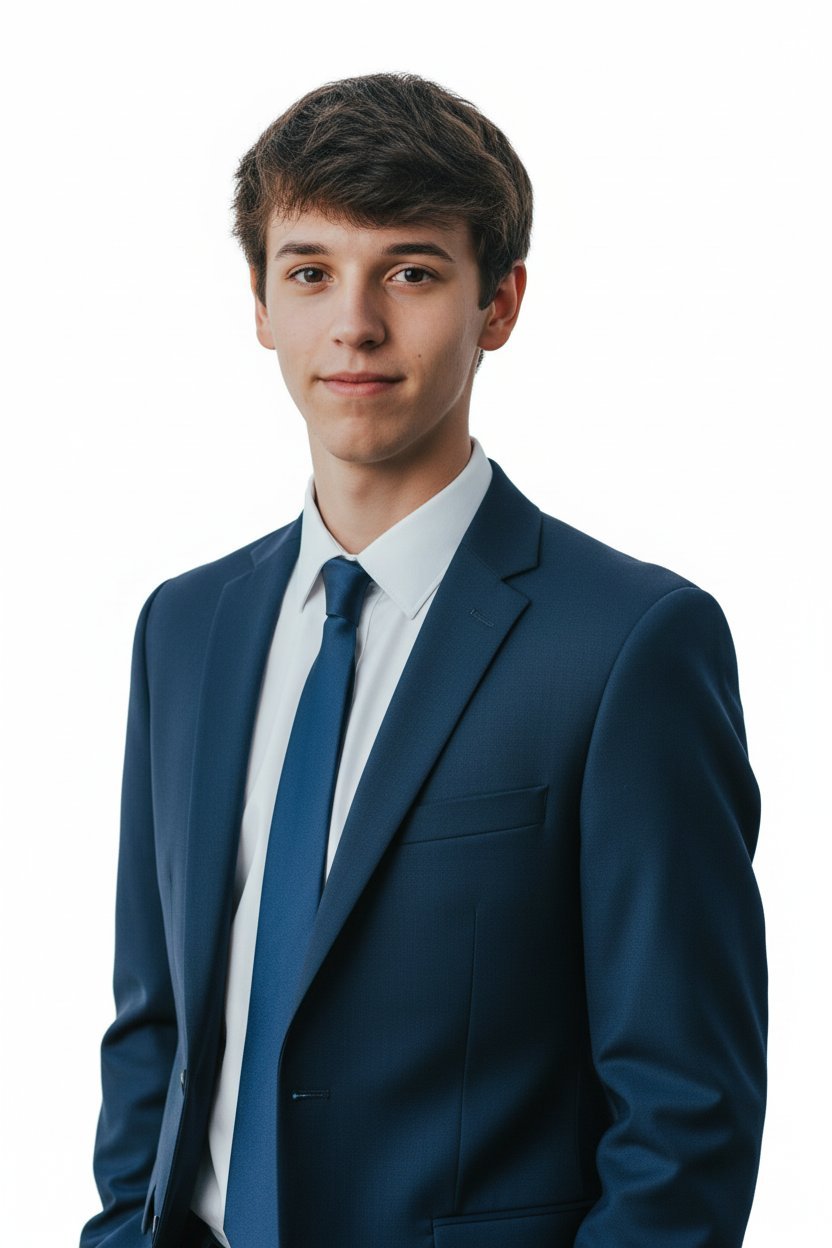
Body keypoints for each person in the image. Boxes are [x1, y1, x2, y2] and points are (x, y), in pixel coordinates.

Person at [80, 72, 767, 1248]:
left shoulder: (627, 646)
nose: (353, 322)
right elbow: (156, 1031)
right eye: (309, 271)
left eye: (409, 270)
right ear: (259, 302)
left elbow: (684, 1117)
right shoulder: (183, 628)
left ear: (498, 305)